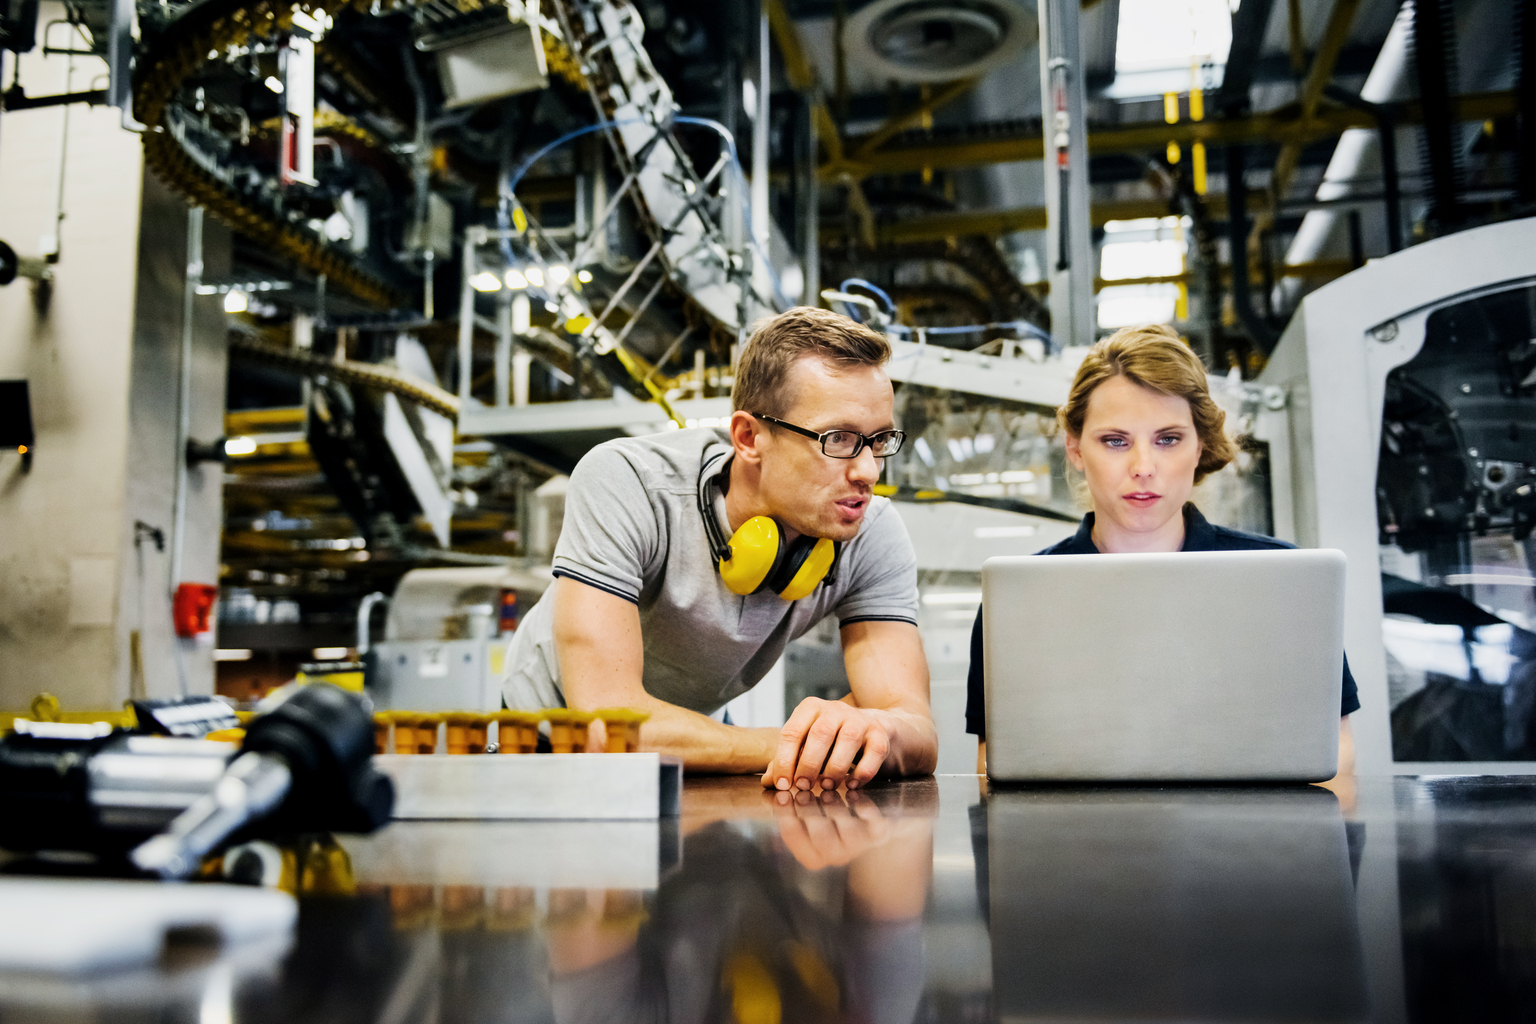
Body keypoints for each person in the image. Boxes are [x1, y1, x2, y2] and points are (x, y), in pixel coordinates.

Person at [503, 306, 938, 790]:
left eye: (879, 441)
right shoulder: (628, 483)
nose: (868, 472)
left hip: (697, 746)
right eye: (838, 439)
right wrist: (796, 745)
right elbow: (609, 727)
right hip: (545, 744)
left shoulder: (871, 532)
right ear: (750, 438)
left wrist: (876, 730)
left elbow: (915, 727)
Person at [966, 324, 1360, 777]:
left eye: (1168, 439)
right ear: (1074, 447)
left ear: (1200, 447)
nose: (1143, 468)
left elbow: (1336, 751)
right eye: (1115, 441)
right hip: (1075, 842)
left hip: (1252, 842)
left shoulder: (1287, 584)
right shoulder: (1019, 600)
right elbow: (994, 761)